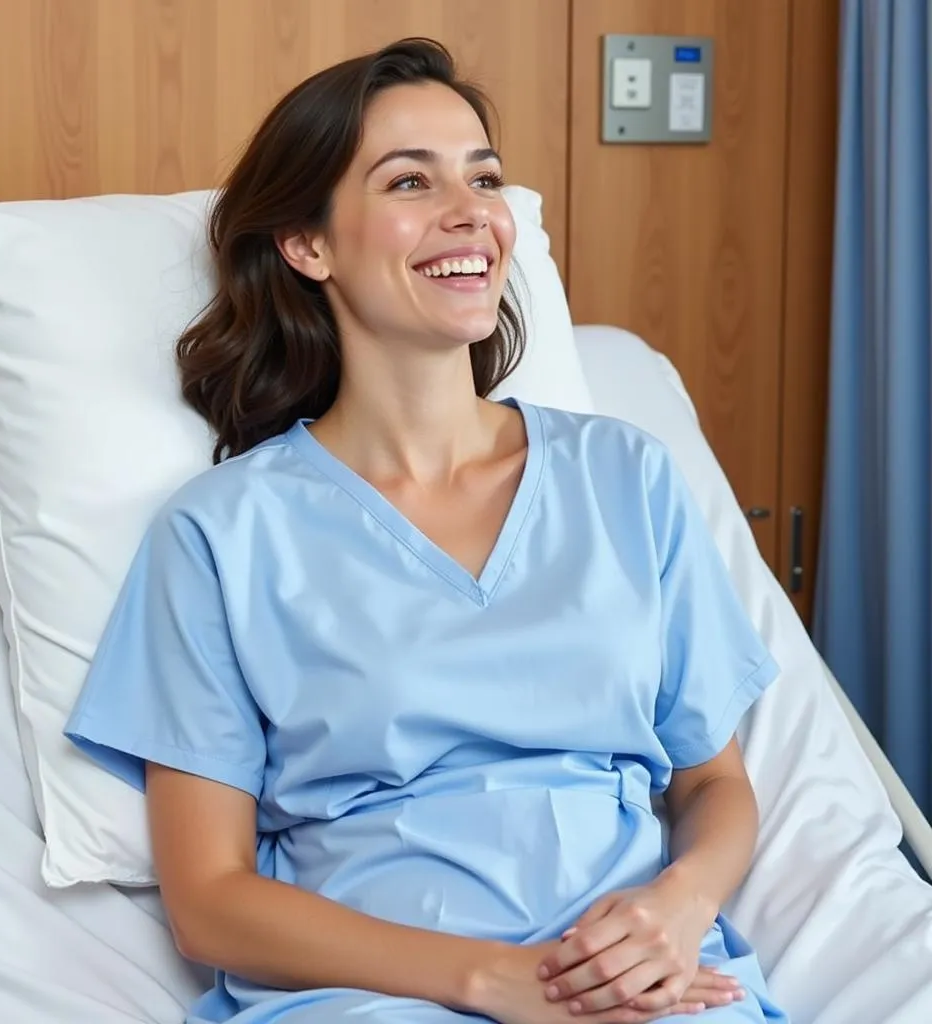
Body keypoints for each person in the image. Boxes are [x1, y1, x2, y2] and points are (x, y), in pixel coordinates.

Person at [64, 38, 789, 1024]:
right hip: (373, 998)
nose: (471, 214)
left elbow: (712, 781)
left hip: (641, 984)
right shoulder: (223, 535)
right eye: (410, 180)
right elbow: (210, 901)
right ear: (306, 244)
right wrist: (488, 979)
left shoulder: (623, 475)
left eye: (482, 177)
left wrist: (678, 903)